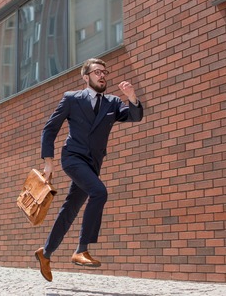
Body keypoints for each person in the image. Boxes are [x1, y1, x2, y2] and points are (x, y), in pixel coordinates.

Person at [34, 58, 144, 282]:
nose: (102, 76)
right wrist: (48, 161)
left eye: (105, 72)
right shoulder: (72, 99)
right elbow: (50, 128)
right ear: (86, 77)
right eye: (97, 72)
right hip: (73, 157)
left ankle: (45, 254)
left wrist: (132, 97)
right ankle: (81, 250)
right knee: (99, 192)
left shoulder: (112, 102)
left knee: (70, 209)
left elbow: (135, 116)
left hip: (93, 163)